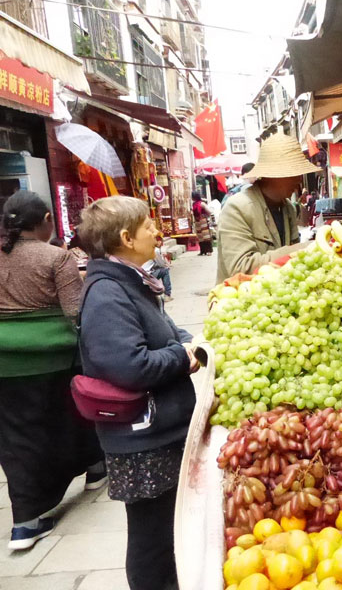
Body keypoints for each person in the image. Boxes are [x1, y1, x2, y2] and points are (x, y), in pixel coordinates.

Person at [76, 196, 199, 590]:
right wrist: (182, 357)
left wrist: (187, 341)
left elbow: (161, 328)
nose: (156, 231)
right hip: (143, 438)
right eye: (148, 225)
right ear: (126, 238)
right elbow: (130, 366)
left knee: (165, 527)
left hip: (157, 430)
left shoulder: (130, 279)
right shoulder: (106, 294)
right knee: (152, 536)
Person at [0, 191, 105, 551]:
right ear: (47, 219)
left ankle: (26, 521)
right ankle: (92, 471)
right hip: (53, 357)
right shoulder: (55, 257)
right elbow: (76, 311)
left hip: (5, 363)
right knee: (68, 419)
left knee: (16, 440)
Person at [216, 133, 320, 283]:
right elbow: (242, 268)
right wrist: (303, 249)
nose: (298, 181)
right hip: (243, 298)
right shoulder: (237, 208)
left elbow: (294, 262)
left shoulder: (288, 208)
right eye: (293, 175)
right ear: (274, 175)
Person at [144, 235, 173, 301]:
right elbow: (161, 264)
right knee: (165, 271)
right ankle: (167, 295)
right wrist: (166, 265)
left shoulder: (142, 248)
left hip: (141, 273)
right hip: (148, 274)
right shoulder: (155, 250)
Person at [191, 191, 214, 256]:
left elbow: (209, 212)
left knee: (206, 236)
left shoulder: (202, 204)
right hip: (197, 222)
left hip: (203, 221)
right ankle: (202, 251)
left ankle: (209, 251)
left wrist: (205, 216)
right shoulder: (194, 204)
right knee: (200, 237)